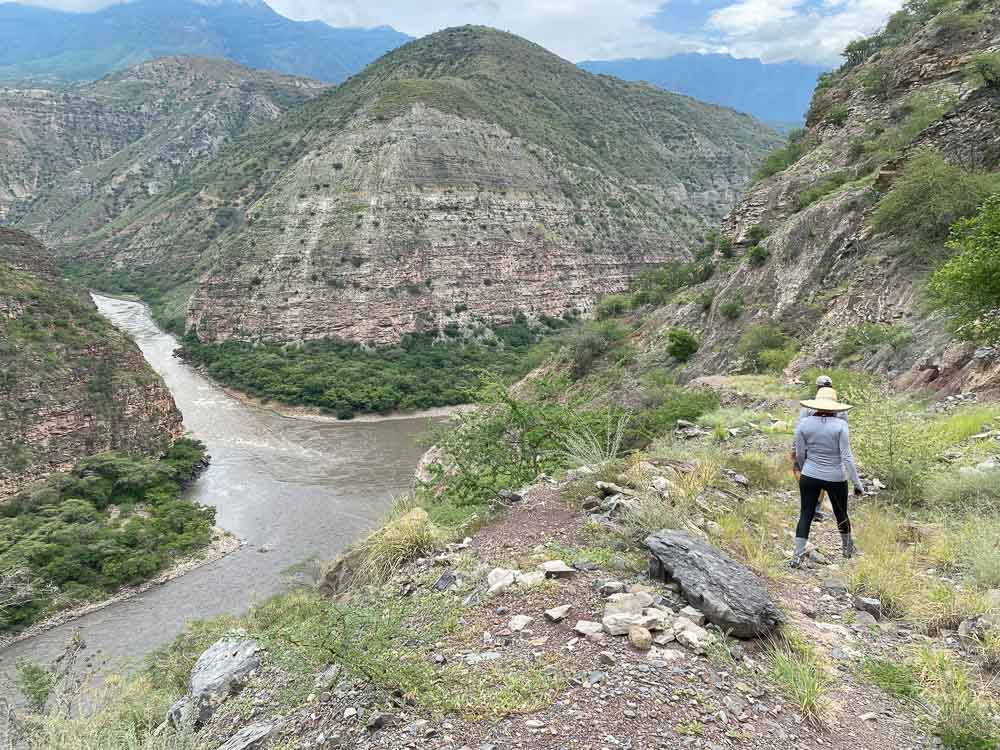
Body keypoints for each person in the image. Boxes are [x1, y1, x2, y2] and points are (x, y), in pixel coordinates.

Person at [791, 387, 864, 568]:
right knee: (841, 513)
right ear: (834, 407)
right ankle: (847, 550)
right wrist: (857, 483)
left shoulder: (804, 424)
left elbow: (800, 453)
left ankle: (797, 556)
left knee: (806, 514)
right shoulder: (841, 426)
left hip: (809, 474)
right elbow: (846, 457)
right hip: (836, 477)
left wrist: (804, 467)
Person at [790, 375, 848, 521]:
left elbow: (799, 428)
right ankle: (815, 507)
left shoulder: (809, 406)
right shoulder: (841, 409)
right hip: (831, 450)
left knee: (802, 472)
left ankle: (811, 506)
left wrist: (795, 448)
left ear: (817, 388)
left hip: (809, 447)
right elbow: (844, 432)